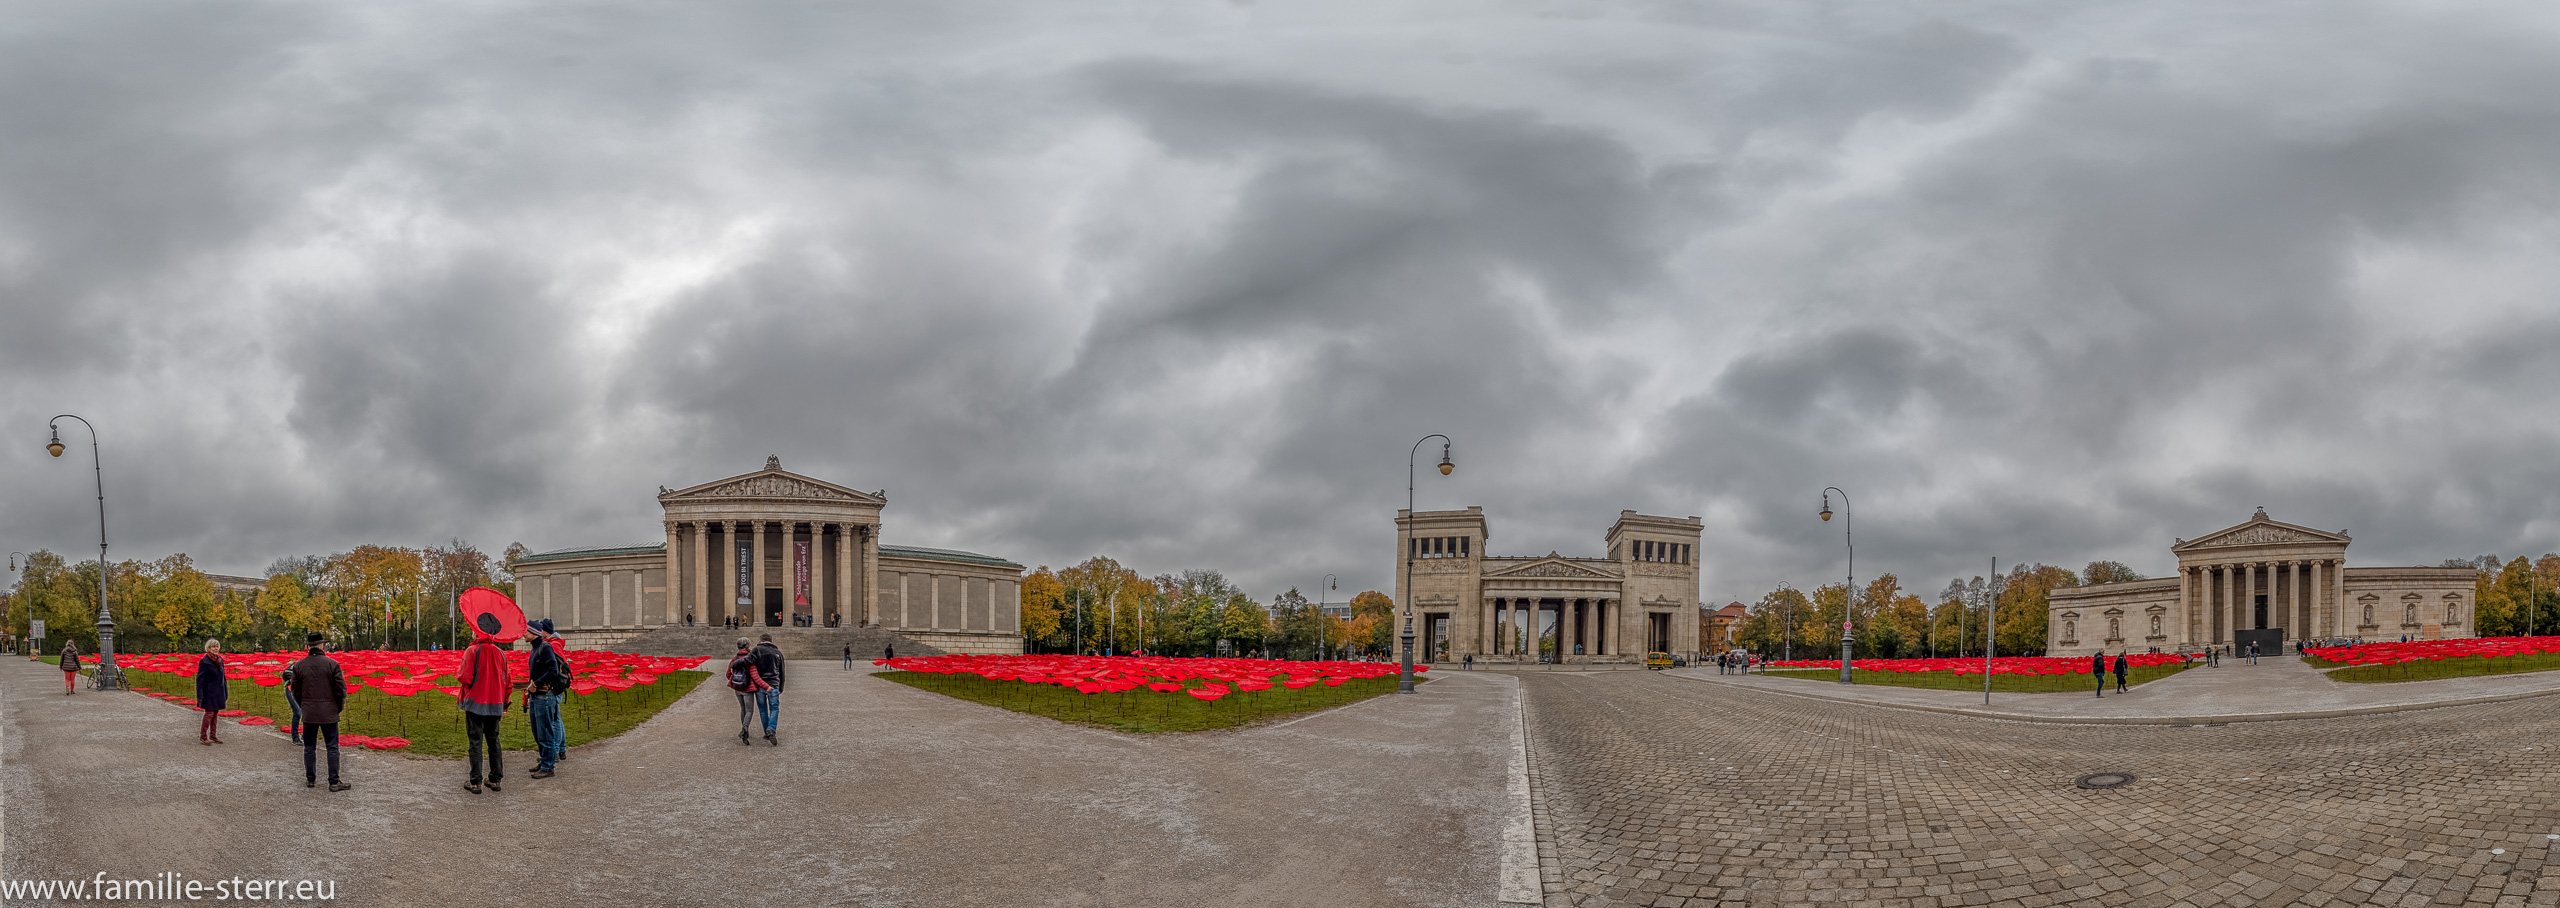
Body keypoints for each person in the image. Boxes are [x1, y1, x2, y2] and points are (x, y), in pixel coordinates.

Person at [289, 633, 349, 792]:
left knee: (309, 747)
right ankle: (334, 781)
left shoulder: (299, 666)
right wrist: (337, 708)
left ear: (308, 647)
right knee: (332, 747)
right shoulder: (332, 664)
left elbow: (295, 690)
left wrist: (304, 705)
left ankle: (310, 779)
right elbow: (341, 691)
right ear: (323, 646)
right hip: (329, 712)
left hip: (309, 712)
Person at [456, 621, 511, 794]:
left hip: (476, 704)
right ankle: (495, 779)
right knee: (493, 741)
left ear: (477, 634)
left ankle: (475, 781)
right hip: (495, 704)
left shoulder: (472, 651)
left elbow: (465, 677)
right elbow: (507, 682)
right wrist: (504, 704)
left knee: (475, 742)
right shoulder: (501, 653)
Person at [524, 620, 570, 780]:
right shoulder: (536, 648)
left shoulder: (546, 647)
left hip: (545, 696)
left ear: (534, 633)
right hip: (536, 696)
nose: (524, 634)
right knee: (537, 732)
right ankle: (544, 760)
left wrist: (536, 683)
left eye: (527, 631)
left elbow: (553, 671)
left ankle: (548, 766)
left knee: (546, 731)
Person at [725, 638, 766, 745]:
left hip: (738, 688)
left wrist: (735, 680)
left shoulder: (735, 658)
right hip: (747, 688)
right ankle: (745, 729)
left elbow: (728, 674)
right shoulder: (751, 658)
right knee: (749, 710)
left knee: (743, 709)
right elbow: (754, 674)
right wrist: (765, 686)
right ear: (748, 646)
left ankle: (743, 729)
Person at [195, 639, 231, 745]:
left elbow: (223, 677)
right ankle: (203, 736)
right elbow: (199, 679)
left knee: (215, 713)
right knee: (209, 713)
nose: (216, 648)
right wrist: (200, 695)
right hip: (209, 692)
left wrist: (225, 690)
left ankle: (213, 735)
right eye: (213, 647)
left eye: (217, 646)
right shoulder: (204, 661)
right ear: (208, 648)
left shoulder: (220, 660)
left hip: (219, 691)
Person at [752, 633, 786, 745]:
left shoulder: (757, 650)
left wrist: (735, 664)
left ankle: (767, 733)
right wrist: (781, 687)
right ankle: (771, 728)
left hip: (760, 685)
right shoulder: (778, 653)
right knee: (774, 708)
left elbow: (750, 664)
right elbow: (782, 672)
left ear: (760, 640)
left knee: (762, 709)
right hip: (773, 685)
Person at [279, 661, 303, 744]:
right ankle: (295, 738)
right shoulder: (299, 664)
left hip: (305, 692)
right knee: (298, 712)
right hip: (292, 690)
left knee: (309, 712)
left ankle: (306, 735)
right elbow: (286, 673)